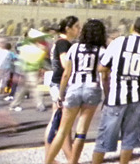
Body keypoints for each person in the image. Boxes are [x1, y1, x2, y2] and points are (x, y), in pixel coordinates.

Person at [91, 16, 140, 164]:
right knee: (129, 138)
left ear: (133, 27)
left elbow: (102, 67)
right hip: (137, 96)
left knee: (104, 137)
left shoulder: (119, 42)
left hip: (116, 95)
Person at [45, 19, 107, 164]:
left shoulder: (74, 48)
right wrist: (108, 95)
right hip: (92, 88)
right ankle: (73, 161)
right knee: (81, 132)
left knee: (62, 130)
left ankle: (47, 161)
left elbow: (66, 73)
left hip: (74, 87)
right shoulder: (101, 51)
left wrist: (61, 93)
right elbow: (104, 76)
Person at [45, 16, 80, 163]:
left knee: (57, 121)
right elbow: (66, 64)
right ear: (68, 29)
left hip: (57, 83)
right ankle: (69, 158)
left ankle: (51, 157)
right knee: (63, 124)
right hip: (61, 84)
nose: (79, 30)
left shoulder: (60, 42)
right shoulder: (64, 43)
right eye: (77, 27)